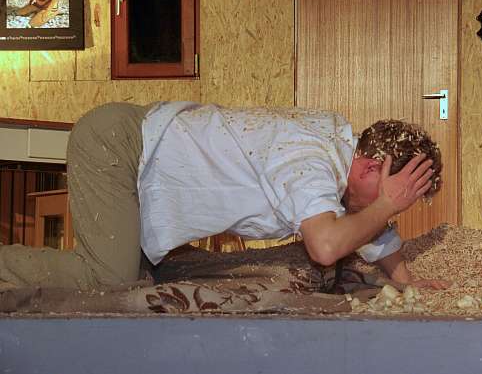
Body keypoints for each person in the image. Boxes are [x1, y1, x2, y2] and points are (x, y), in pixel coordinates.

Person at [0, 102, 449, 291]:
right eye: (391, 192)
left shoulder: (340, 156)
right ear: (369, 167)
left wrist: (405, 280)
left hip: (141, 163)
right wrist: (386, 204)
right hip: (119, 147)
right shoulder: (309, 160)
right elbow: (327, 245)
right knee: (109, 280)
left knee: (149, 277)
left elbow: (365, 224)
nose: (389, 207)